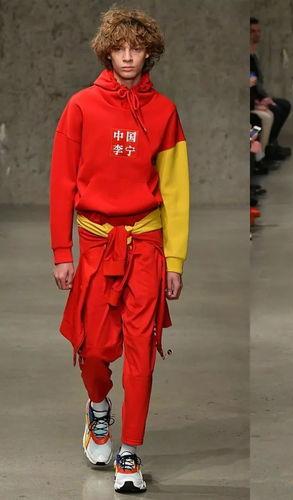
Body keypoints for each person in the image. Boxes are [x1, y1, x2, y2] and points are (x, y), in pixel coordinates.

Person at [49, 7, 189, 494]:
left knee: (141, 350)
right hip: (94, 242)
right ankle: (99, 408)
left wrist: (175, 259)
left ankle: (129, 451)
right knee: (92, 348)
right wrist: (61, 251)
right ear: (107, 52)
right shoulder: (81, 107)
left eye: (137, 48)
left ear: (150, 54)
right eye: (120, 48)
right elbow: (62, 182)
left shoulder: (164, 111)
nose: (128, 56)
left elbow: (175, 190)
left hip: (146, 243)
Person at [250, 16, 292, 160]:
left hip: (255, 98)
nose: (257, 34)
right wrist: (257, 103)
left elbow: (256, 83)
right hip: (251, 102)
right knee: (272, 113)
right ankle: (263, 153)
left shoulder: (253, 54)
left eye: (258, 31)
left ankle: (271, 145)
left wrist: (264, 98)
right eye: (252, 31)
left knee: (283, 105)